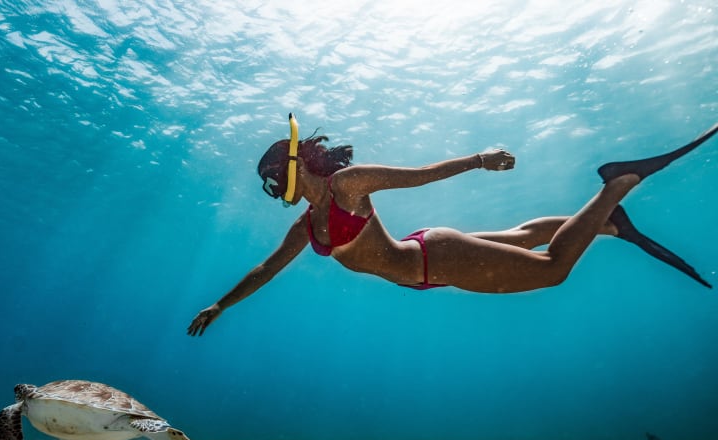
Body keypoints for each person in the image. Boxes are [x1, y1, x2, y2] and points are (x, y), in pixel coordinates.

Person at [188, 116, 716, 336]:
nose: (271, 184)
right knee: (521, 236)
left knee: (552, 269)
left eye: (272, 175)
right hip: (428, 253)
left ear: (291, 169)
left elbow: (420, 176)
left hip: (434, 259)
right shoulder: (308, 225)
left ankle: (615, 186)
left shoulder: (348, 185)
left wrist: (480, 159)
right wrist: (220, 304)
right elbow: (267, 268)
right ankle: (609, 224)